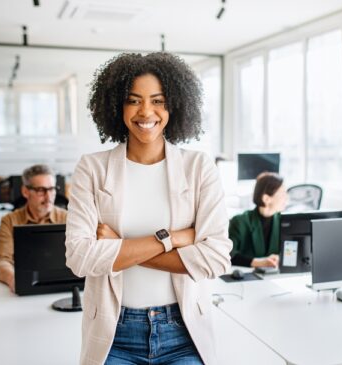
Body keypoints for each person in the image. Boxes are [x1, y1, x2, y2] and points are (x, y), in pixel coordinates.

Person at [65, 52, 231, 365]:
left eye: (157, 100)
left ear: (174, 105)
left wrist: (118, 248)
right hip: (115, 334)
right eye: (133, 100)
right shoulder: (92, 169)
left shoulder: (198, 167)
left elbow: (216, 258)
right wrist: (171, 238)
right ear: (117, 106)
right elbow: (79, 257)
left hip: (183, 334)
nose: (146, 111)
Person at [0, 164, 67, 292]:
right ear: (25, 192)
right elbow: (1, 262)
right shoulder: (10, 221)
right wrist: (14, 280)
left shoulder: (68, 219)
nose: (49, 197)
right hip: (25, 288)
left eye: (52, 189)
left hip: (61, 287)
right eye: (41, 190)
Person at [229, 172, 288, 268]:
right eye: (282, 194)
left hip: (275, 275)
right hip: (246, 277)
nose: (286, 198)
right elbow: (228, 254)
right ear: (266, 199)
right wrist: (258, 262)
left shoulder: (284, 221)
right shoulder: (240, 222)